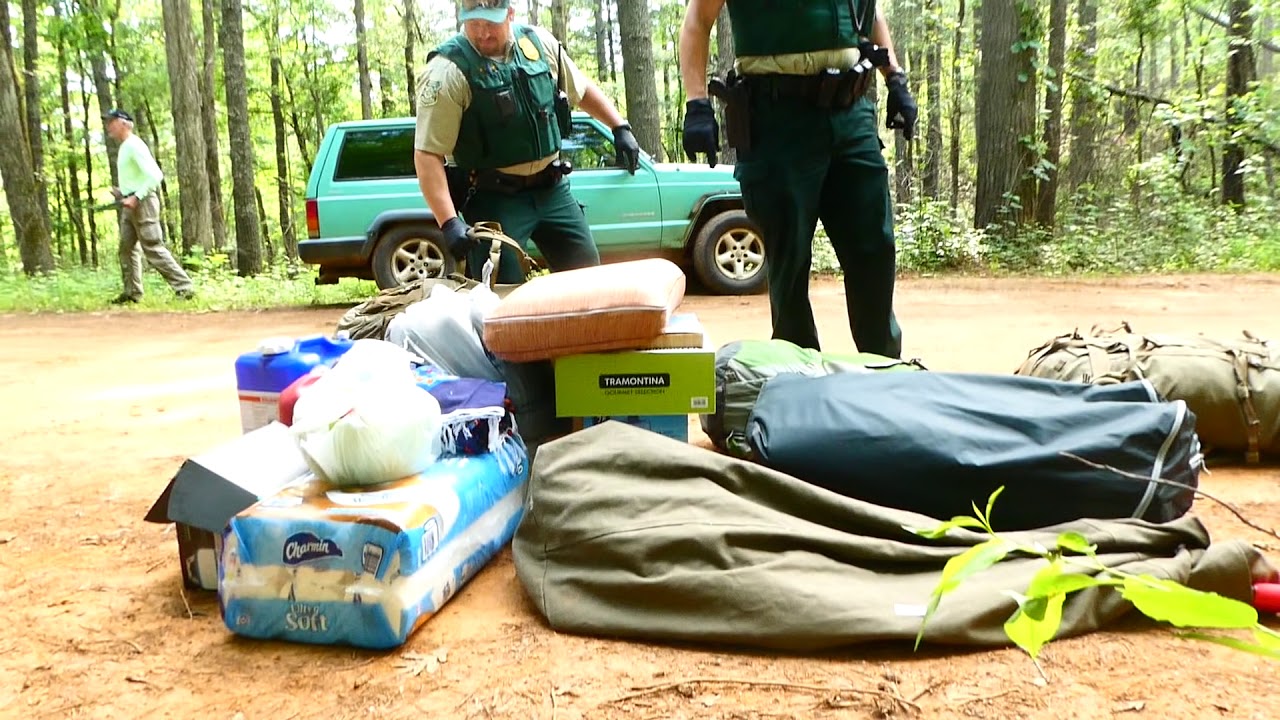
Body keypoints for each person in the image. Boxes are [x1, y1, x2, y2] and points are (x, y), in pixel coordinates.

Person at [678, 0, 917, 359]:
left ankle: (883, 370)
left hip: (851, 113)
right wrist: (697, 104)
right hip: (776, 117)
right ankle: (800, 382)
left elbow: (870, 12)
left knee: (874, 249)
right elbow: (697, 20)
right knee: (789, 262)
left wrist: (895, 77)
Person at [414, 0, 642, 285]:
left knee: (588, 279)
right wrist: (448, 222)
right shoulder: (447, 71)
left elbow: (579, 89)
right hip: (494, 198)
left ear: (510, 15)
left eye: (491, 24)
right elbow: (427, 154)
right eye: (474, 25)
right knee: (501, 292)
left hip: (553, 189)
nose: (483, 34)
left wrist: (619, 126)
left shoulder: (538, 44)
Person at [103, 109, 195, 304]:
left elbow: (155, 175)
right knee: (126, 250)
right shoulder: (126, 147)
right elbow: (139, 177)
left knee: (152, 247)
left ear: (124, 124)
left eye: (111, 122)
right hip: (130, 204)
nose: (108, 126)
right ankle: (132, 293)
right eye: (108, 122)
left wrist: (136, 196)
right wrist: (123, 192)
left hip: (142, 204)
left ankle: (184, 288)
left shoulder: (134, 145)